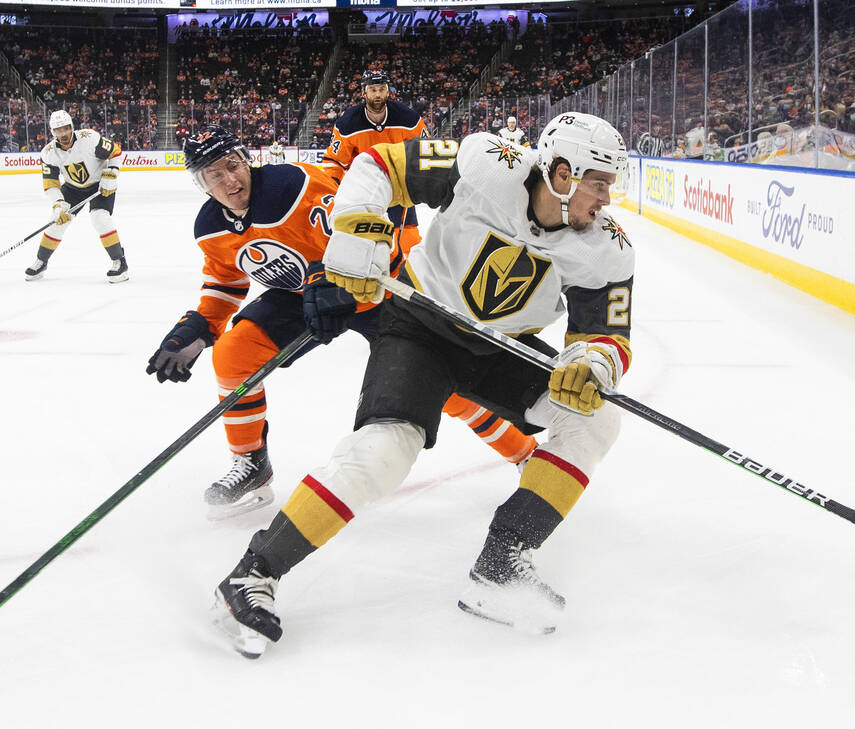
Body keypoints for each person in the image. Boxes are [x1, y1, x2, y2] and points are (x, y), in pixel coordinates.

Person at [212, 112, 634, 658]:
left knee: (597, 416)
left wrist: (593, 364)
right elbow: (379, 165)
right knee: (384, 452)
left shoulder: (607, 246)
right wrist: (357, 234)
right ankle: (254, 572)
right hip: (421, 326)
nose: (605, 198)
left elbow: (608, 334)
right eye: (598, 182)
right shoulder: (486, 163)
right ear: (562, 172)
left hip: (502, 349)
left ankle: (501, 564)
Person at [146, 126, 535, 520]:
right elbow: (225, 282)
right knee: (233, 354)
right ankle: (251, 465)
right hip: (301, 299)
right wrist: (196, 327)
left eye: (233, 165)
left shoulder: (292, 185)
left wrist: (329, 278)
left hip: (376, 286)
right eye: (214, 174)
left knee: (441, 386)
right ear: (201, 184)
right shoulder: (210, 228)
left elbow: (357, 230)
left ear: (247, 160)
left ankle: (524, 453)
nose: (230, 180)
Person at [323, 70, 538, 466]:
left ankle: (521, 449)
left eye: (382, 87)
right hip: (361, 216)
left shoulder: (407, 116)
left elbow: (422, 157)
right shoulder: (348, 123)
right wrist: (347, 210)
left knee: (417, 295)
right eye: (371, 87)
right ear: (363, 91)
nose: (377, 93)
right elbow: (333, 169)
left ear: (388, 90)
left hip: (401, 216)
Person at [26, 110, 128, 283]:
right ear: (53, 132)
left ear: (72, 127)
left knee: (100, 218)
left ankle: (119, 262)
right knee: (56, 221)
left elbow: (115, 152)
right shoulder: (48, 153)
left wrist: (112, 173)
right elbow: (50, 183)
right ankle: (41, 261)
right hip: (73, 189)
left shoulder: (90, 139)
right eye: (58, 130)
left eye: (66, 128)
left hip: (99, 185)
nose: (63, 133)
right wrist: (58, 204)